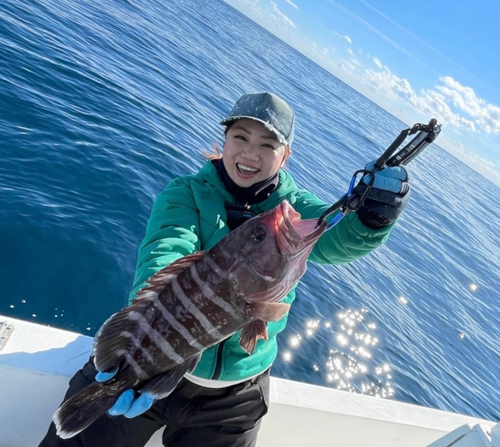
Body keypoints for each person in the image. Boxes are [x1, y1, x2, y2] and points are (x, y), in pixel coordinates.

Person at [39, 92, 410, 446]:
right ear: (225, 139)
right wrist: (148, 352)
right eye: (241, 137)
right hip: (153, 362)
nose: (251, 153)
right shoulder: (184, 193)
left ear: (286, 156)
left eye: (268, 144)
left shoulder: (295, 208)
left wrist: (375, 217)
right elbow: (165, 251)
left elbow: (338, 239)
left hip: (232, 399)